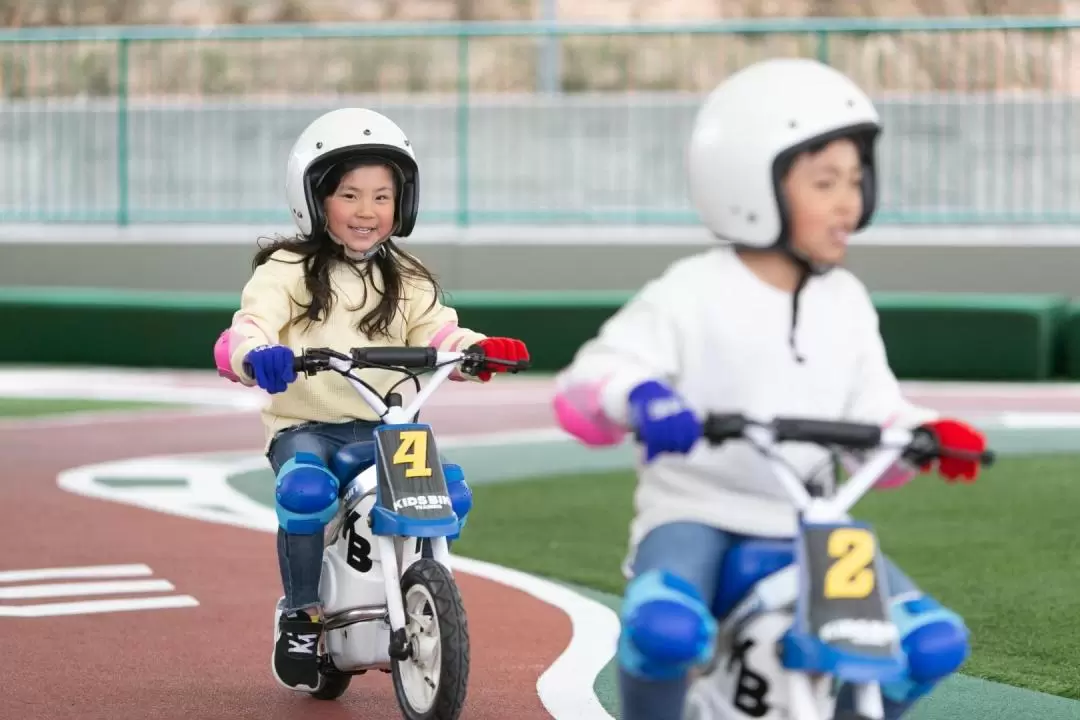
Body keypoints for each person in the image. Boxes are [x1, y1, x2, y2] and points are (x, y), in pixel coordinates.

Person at [550, 58, 988, 720]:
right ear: (748, 185)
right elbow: (591, 380)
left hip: (809, 523)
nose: (849, 201)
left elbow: (875, 409)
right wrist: (642, 398)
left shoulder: (846, 301)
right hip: (694, 514)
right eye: (825, 182)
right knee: (662, 628)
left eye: (855, 180)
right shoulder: (691, 290)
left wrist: (923, 434)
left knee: (929, 642)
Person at [212, 107, 530, 693]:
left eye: (382, 197)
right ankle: (302, 614)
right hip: (306, 422)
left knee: (446, 492)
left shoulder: (406, 277)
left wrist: (478, 350)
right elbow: (246, 329)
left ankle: (420, 583)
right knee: (305, 490)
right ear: (314, 200)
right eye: (350, 195)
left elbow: (439, 332)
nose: (367, 211)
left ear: (401, 204)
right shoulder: (287, 270)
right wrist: (258, 356)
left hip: (385, 424)